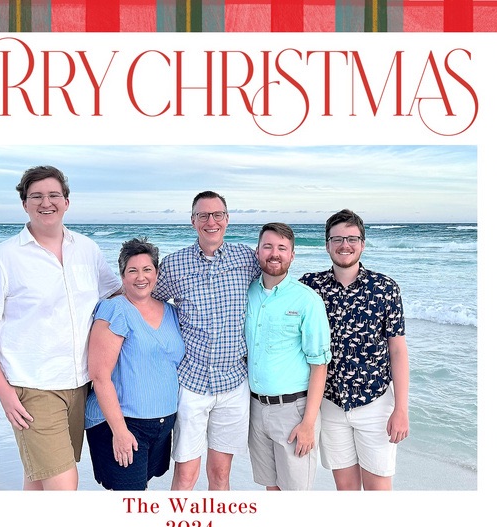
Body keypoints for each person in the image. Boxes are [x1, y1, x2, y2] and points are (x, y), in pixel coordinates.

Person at [0, 165, 121, 491]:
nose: (45, 202)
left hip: (80, 386)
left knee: (38, 481)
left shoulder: (87, 250)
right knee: (64, 487)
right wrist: (5, 393)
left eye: (53, 195)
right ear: (24, 204)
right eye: (36, 196)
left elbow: (117, 296)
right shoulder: (2, 257)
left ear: (66, 201)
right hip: (32, 388)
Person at [153, 191, 261, 490]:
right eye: (203, 215)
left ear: (227, 219)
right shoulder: (174, 265)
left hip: (233, 383)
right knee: (186, 475)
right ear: (192, 221)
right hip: (192, 383)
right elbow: (148, 303)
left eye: (217, 215)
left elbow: (274, 287)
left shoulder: (246, 259)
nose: (210, 221)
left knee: (220, 475)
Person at [299, 209, 410, 491]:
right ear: (326, 245)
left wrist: (401, 409)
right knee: (346, 493)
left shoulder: (385, 288)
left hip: (375, 404)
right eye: (337, 239)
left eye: (351, 238)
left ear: (362, 243)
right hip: (331, 404)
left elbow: (397, 350)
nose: (344, 245)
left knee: (378, 492)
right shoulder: (310, 287)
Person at [84, 237, 185, 490]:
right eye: (133, 270)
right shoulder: (114, 309)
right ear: (122, 275)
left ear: (157, 273)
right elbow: (99, 376)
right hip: (123, 424)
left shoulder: (171, 311)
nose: (141, 277)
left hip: (161, 424)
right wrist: (119, 431)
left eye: (147, 269)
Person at [246, 223, 331, 491]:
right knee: (271, 489)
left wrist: (308, 423)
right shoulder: (247, 293)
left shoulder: (307, 301)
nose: (275, 253)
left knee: (294, 497)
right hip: (255, 409)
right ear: (258, 251)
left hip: (293, 412)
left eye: (282, 248)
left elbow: (319, 364)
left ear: (292, 255)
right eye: (268, 246)